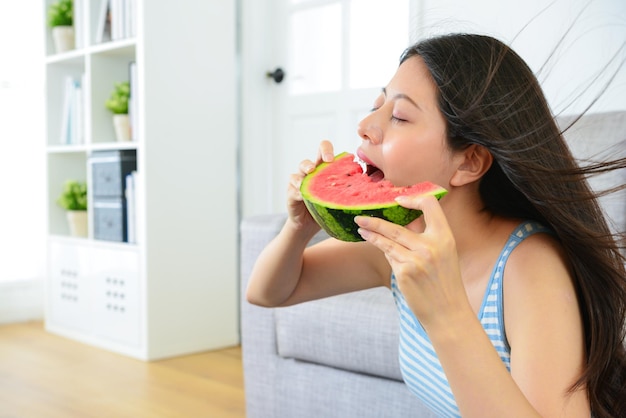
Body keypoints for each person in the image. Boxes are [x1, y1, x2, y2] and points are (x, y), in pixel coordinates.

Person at [246, 33, 626, 418]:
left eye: (399, 116)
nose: (364, 125)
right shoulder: (395, 248)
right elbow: (267, 293)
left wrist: (444, 311)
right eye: (377, 105)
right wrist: (299, 229)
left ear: (469, 163)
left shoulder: (528, 267)